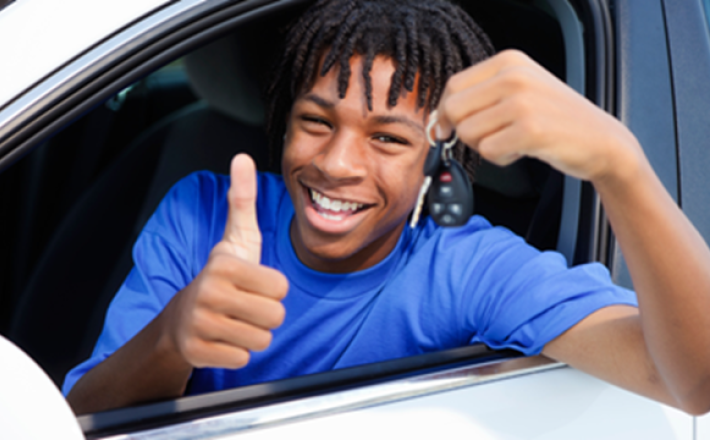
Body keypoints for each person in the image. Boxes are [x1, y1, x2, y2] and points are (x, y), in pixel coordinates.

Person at [63, 0, 710, 416]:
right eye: (316, 121)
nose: (338, 163)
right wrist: (175, 335)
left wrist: (618, 164)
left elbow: (694, 384)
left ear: (437, 158)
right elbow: (82, 417)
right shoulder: (202, 213)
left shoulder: (467, 269)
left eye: (387, 139)